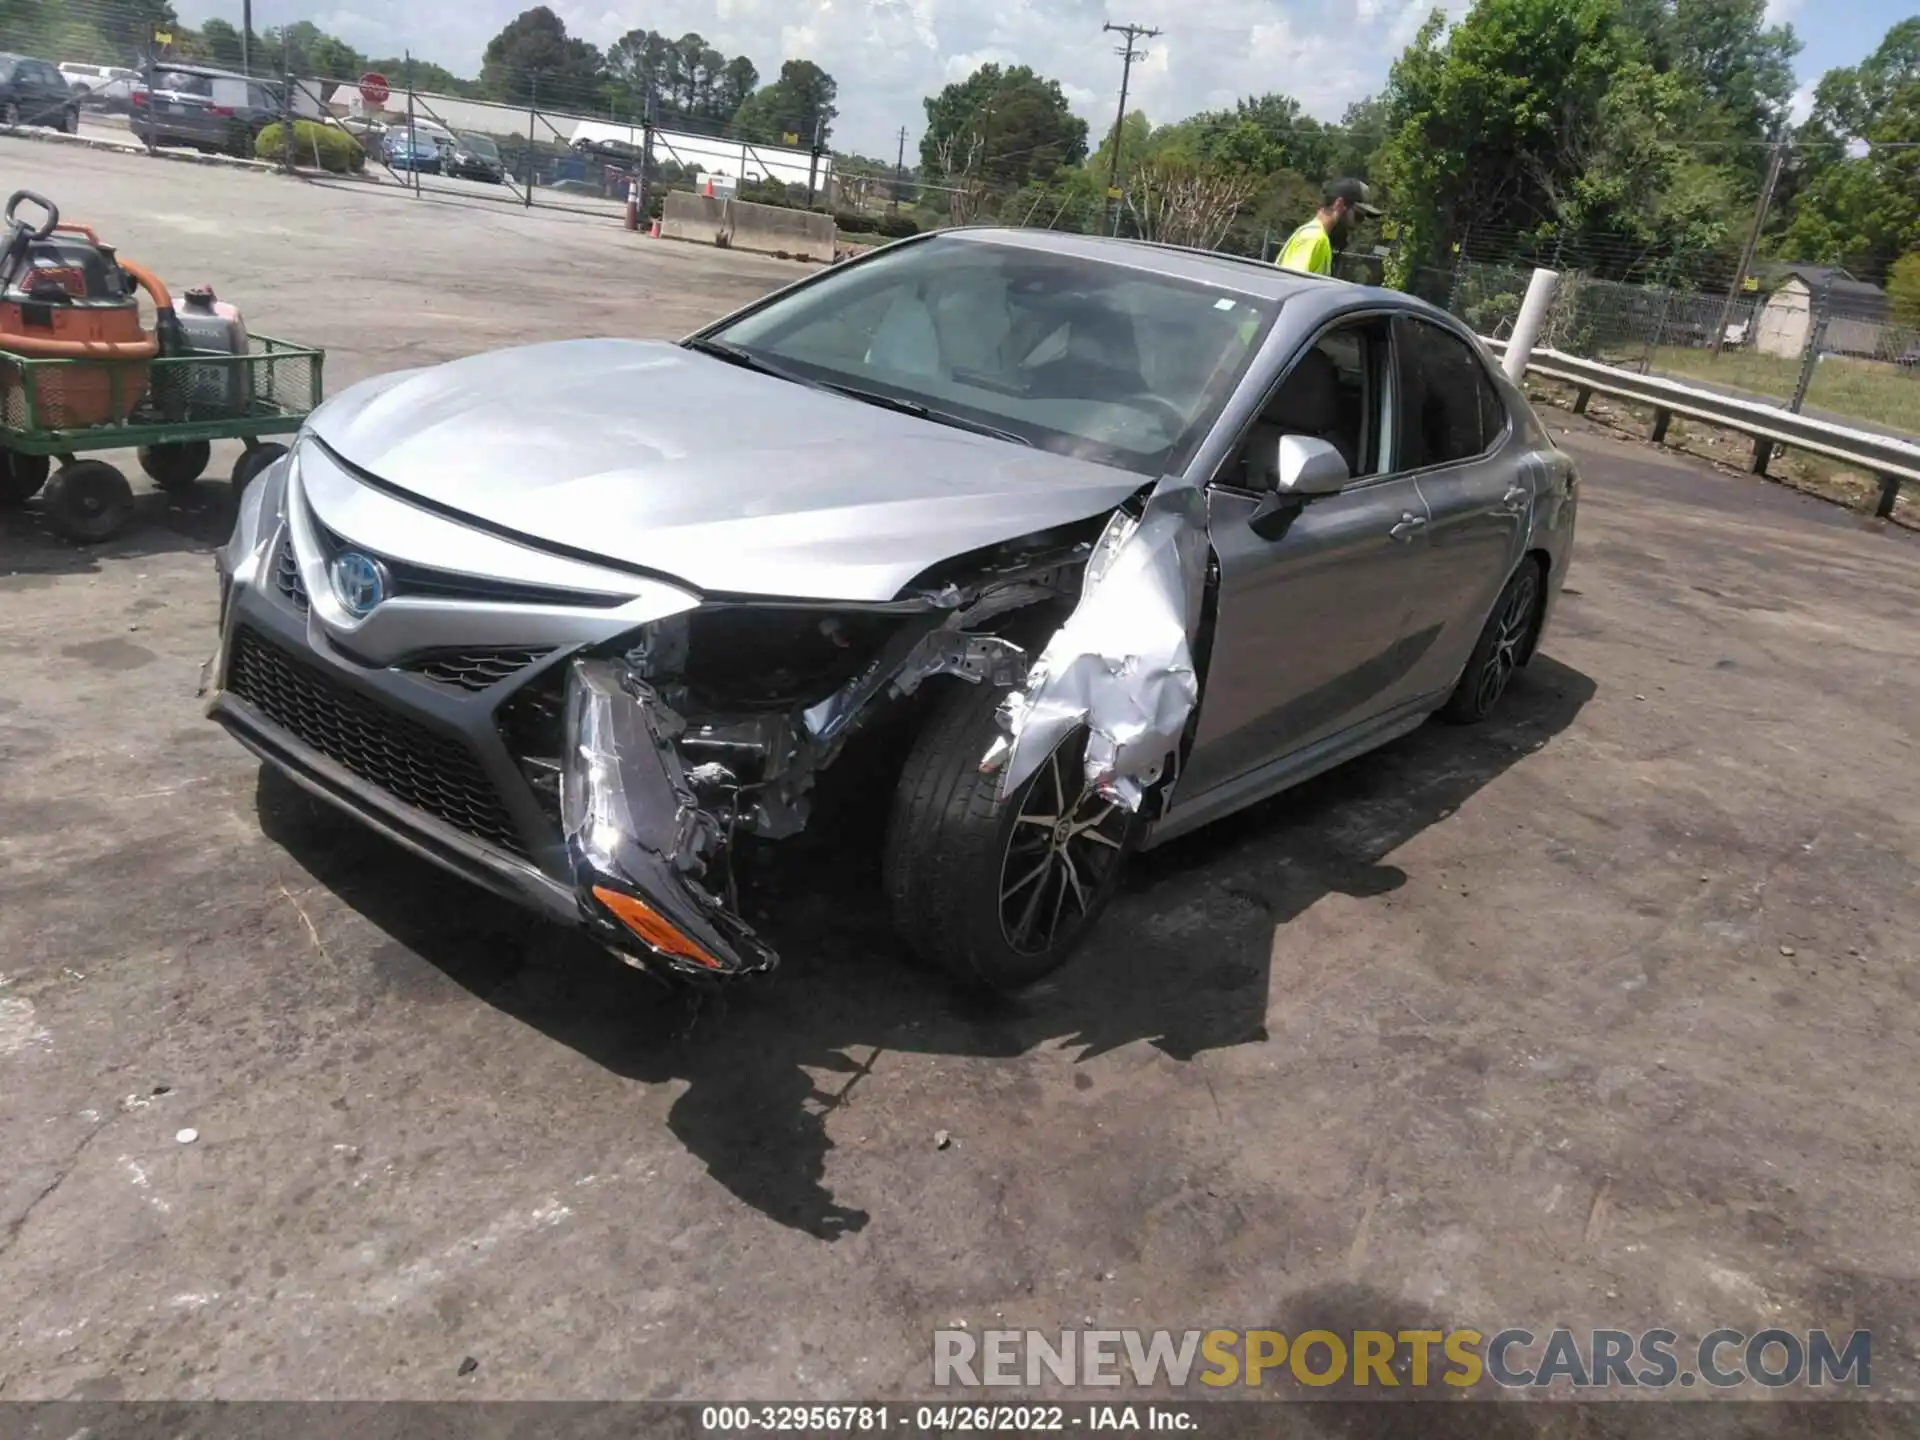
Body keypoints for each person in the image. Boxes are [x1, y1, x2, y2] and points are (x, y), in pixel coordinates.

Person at [1276, 178, 1383, 276]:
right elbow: (1292, 286)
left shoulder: (1318, 238)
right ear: (1339, 205)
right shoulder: (1314, 238)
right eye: (1358, 216)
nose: (1357, 225)